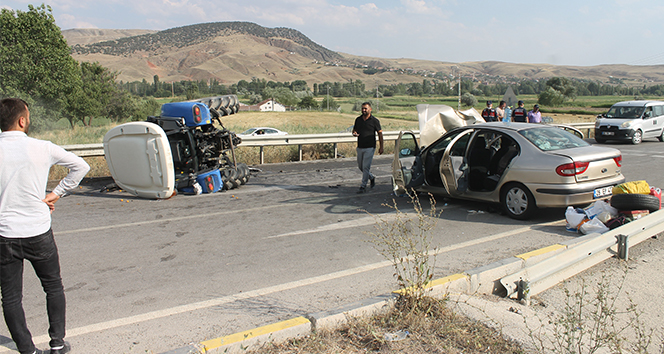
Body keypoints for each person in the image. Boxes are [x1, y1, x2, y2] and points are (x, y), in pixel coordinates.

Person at [0, 98, 90, 354]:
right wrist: (55, 194)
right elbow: (81, 166)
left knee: (11, 297)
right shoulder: (42, 147)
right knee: (52, 286)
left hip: (4, 233)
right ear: (22, 120)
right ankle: (57, 343)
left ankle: (27, 350)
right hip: (38, 231)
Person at [352, 102, 383, 193]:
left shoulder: (374, 121)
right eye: (362, 108)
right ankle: (371, 177)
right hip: (360, 146)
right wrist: (354, 133)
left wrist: (381, 147)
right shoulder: (358, 120)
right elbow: (355, 129)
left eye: (365, 108)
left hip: (370, 147)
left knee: (366, 167)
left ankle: (363, 186)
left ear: (370, 109)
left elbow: (380, 134)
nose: (363, 110)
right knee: (360, 167)